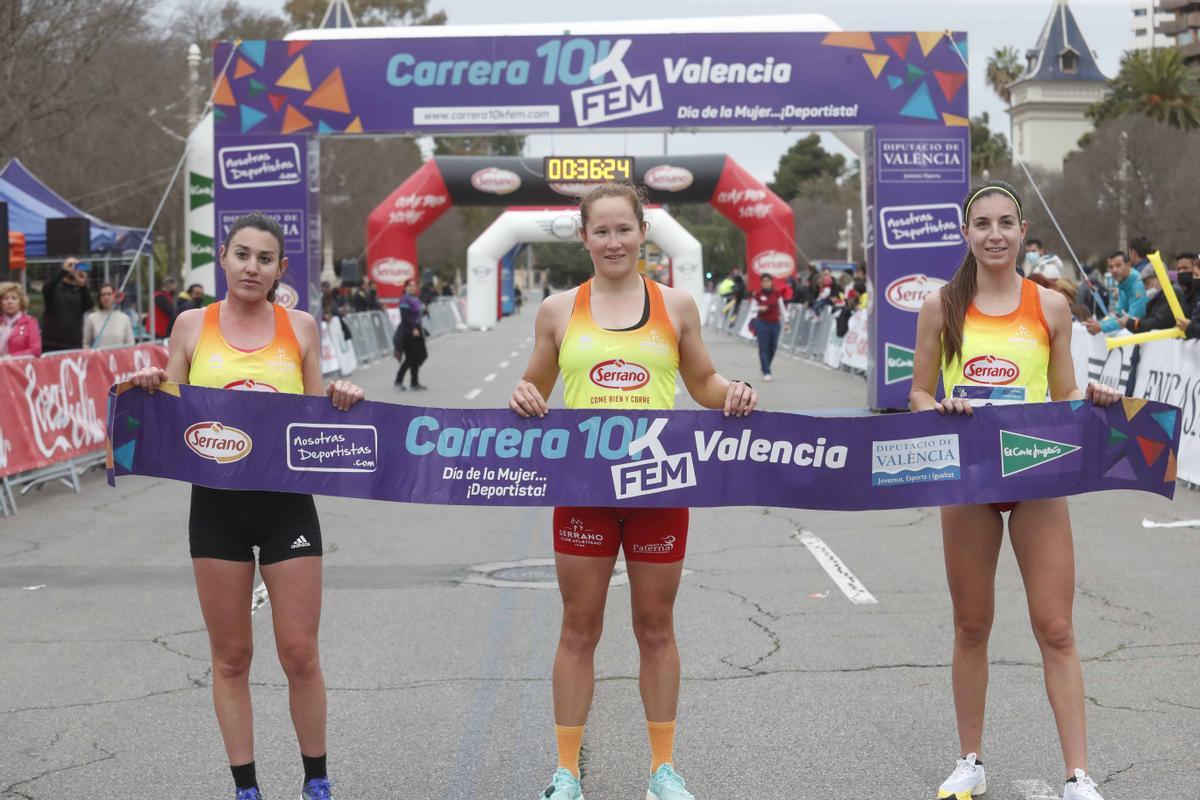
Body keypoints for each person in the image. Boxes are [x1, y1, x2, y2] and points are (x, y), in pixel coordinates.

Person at [509, 183, 757, 800]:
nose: (614, 241)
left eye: (624, 229)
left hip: (659, 485)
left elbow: (701, 381)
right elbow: (533, 391)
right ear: (584, 236)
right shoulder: (558, 310)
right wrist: (523, 396)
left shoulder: (676, 306)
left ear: (643, 231)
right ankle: (566, 772)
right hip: (584, 490)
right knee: (579, 626)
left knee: (654, 626)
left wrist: (731, 391)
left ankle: (663, 770)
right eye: (602, 231)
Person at [128, 212, 364, 800]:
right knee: (231, 657)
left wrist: (342, 397)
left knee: (300, 653)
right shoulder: (190, 325)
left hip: (286, 507)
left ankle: (316, 779)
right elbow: (173, 411)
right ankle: (247, 788)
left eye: (264, 258)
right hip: (215, 508)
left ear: (281, 269)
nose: (251, 267)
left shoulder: (302, 327)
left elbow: (316, 424)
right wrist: (154, 386)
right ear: (225, 260)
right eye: (241, 255)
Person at [909, 181, 1121, 800]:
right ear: (966, 233)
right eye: (982, 224)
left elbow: (1064, 397)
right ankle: (969, 760)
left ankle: (1079, 774)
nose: (995, 234)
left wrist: (1095, 398)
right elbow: (917, 392)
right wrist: (938, 404)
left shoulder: (1050, 306)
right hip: (969, 478)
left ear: (1023, 230)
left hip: (1036, 474)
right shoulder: (940, 306)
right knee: (971, 625)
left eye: (1006, 222)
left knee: (1055, 626)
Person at [1085, 252, 1145, 335]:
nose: (1114, 270)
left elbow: (1132, 319)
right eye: (1111, 267)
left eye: (1118, 265)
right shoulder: (1123, 283)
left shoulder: (1139, 284)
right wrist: (1099, 323)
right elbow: (1118, 314)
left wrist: (1101, 327)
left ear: (1128, 265)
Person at [41, 257, 94, 351]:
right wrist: (63, 271)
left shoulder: (81, 291)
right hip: (51, 344)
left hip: (74, 345)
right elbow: (46, 288)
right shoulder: (54, 289)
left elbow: (89, 305)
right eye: (71, 265)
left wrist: (82, 285)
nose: (73, 269)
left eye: (76, 266)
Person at [1122, 262, 1180, 333]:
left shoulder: (1171, 294)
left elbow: (1159, 323)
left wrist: (1132, 323)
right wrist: (1134, 321)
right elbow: (1150, 319)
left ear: (1159, 279)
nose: (1145, 288)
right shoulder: (1156, 298)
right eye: (1143, 284)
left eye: (1147, 283)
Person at [750, 272, 786, 381]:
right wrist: (760, 308)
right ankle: (766, 371)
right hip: (762, 323)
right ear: (761, 283)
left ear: (771, 282)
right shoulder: (758, 294)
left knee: (773, 347)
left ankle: (766, 365)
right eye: (764, 281)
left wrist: (787, 321)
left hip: (775, 324)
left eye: (768, 281)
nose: (766, 283)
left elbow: (782, 308)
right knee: (763, 348)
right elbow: (752, 308)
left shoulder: (777, 294)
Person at [392, 279, 428, 391]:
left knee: (418, 357)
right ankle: (398, 381)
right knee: (410, 358)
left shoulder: (416, 299)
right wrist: (412, 329)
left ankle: (414, 383)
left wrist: (426, 311)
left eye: (414, 286)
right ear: (406, 288)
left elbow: (419, 313)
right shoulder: (405, 300)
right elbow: (405, 317)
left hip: (418, 330)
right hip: (408, 332)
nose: (413, 288)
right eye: (410, 286)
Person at [83, 282, 135, 348]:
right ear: (99, 297)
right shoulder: (91, 318)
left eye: (109, 294)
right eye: (103, 295)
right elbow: (86, 343)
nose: (106, 297)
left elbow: (130, 344)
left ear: (114, 296)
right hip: (98, 358)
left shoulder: (124, 319)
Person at [0, 281, 42, 357]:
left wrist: (11, 357)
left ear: (20, 302)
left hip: (18, 367)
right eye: (5, 299)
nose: (10, 302)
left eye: (14, 298)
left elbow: (35, 350)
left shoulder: (30, 322)